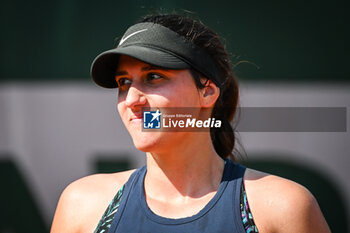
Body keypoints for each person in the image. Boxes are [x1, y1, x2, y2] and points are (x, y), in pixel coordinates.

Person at [50, 14, 331, 233]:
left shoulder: (284, 207)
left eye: (153, 77)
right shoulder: (83, 206)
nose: (132, 99)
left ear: (207, 91)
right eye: (124, 82)